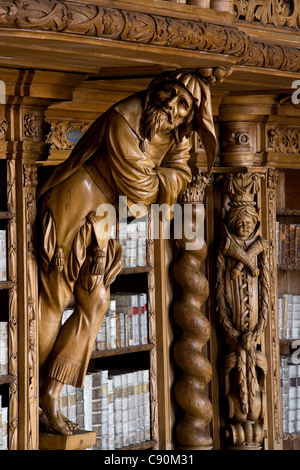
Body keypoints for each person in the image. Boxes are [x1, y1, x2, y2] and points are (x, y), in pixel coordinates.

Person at [37, 70, 217, 435]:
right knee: (54, 298)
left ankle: (49, 392)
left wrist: (162, 181)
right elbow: (140, 189)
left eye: (183, 104)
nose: (171, 105)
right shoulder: (125, 116)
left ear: (191, 116)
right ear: (155, 89)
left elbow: (178, 175)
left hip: (106, 216)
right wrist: (162, 181)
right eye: (169, 93)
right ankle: (35, 398)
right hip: (78, 199)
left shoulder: (177, 134)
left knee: (97, 301)